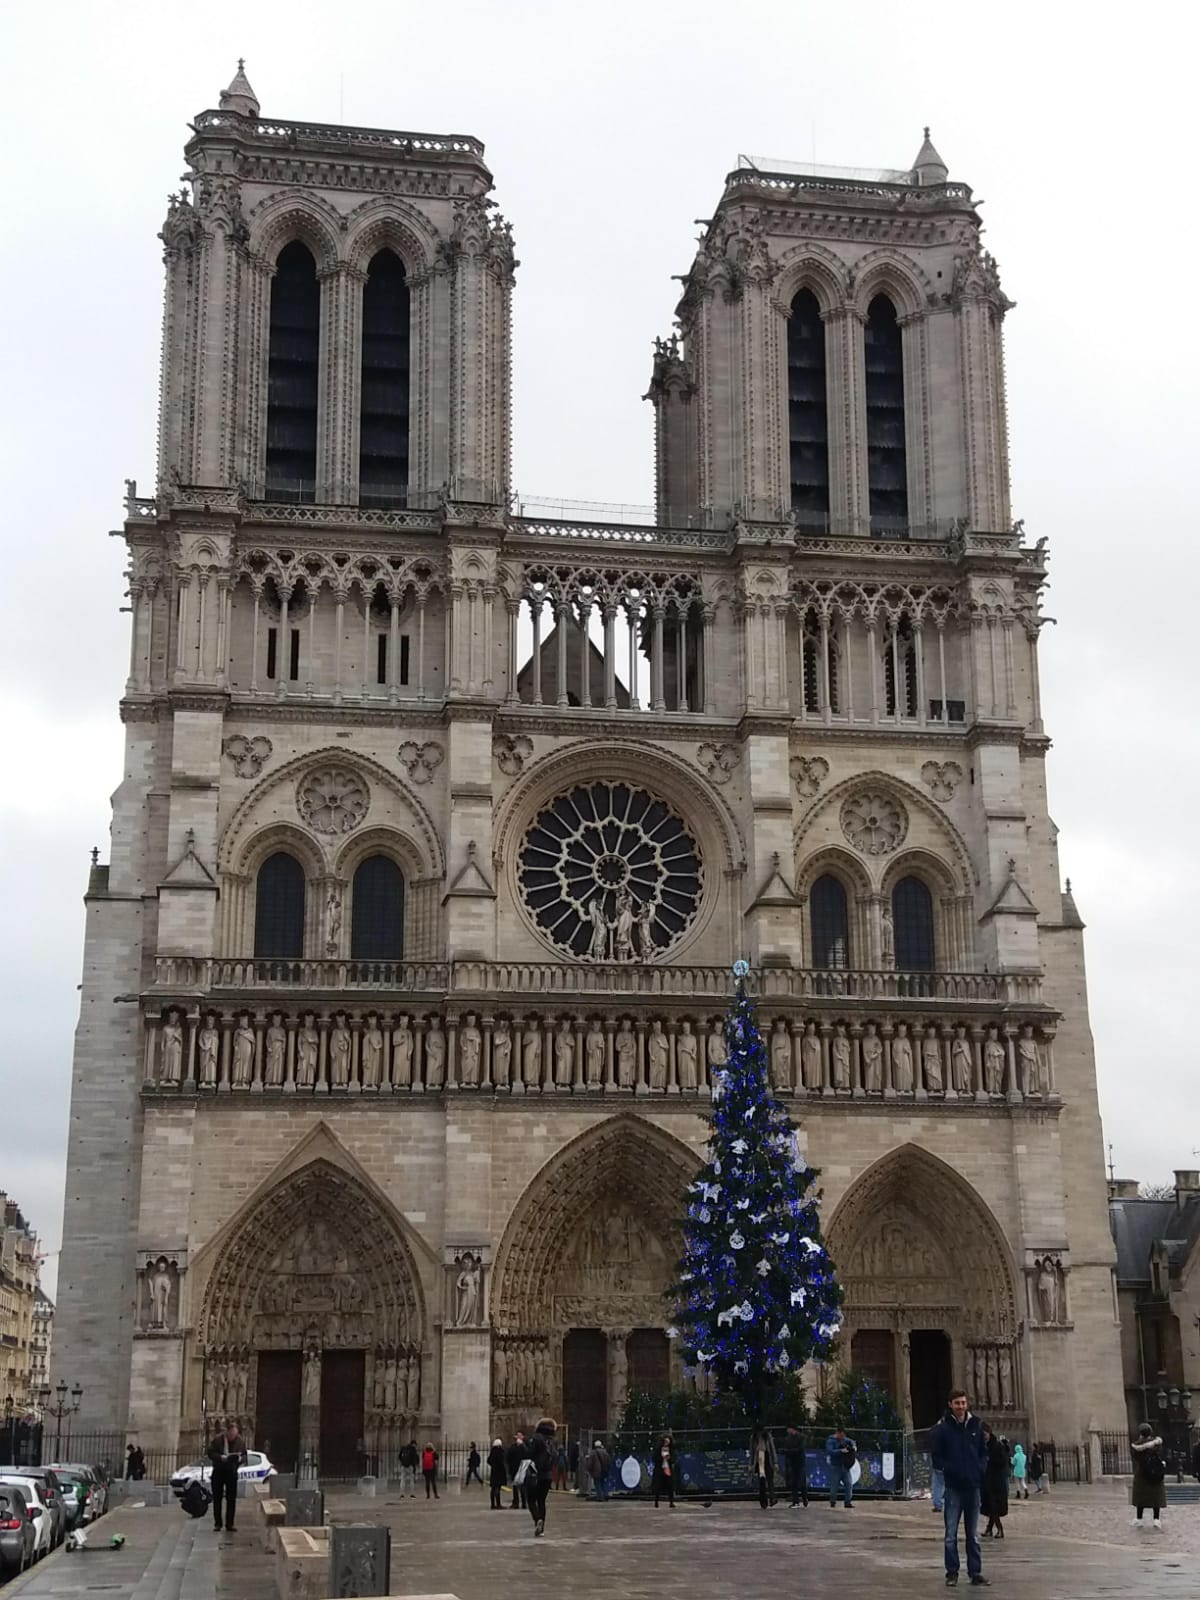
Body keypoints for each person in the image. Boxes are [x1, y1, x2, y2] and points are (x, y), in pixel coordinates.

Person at [929, 1388, 989, 1587]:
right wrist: (948, 1468)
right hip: (954, 1487)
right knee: (950, 1534)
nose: (961, 1406)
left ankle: (975, 1572)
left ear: (967, 1404)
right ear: (950, 1405)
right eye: (957, 1403)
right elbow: (936, 1455)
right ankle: (952, 1573)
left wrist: (980, 1469)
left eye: (963, 1403)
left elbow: (983, 1452)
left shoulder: (976, 1424)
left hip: (973, 1486)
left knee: (973, 1534)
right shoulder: (944, 1428)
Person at [207, 1419, 246, 1534]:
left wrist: (240, 1459)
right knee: (217, 1498)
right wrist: (220, 1458)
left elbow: (244, 1456)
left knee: (231, 1499)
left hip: (231, 1472)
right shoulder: (218, 1440)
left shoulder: (240, 1442)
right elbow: (210, 1452)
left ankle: (230, 1524)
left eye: (235, 1434)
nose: (233, 1436)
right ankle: (218, 1523)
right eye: (232, 1434)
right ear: (227, 1432)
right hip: (219, 1472)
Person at [1130, 1421, 1167, 1530]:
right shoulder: (1157, 1444)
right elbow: (1162, 1455)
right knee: (1156, 1497)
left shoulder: (1136, 1446)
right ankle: (1156, 1519)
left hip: (1142, 1473)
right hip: (1156, 1473)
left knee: (1141, 1497)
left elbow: (1135, 1456)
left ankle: (1139, 1519)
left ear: (1140, 1433)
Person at [525, 1417, 557, 1537]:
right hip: (547, 1475)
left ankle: (537, 1519)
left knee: (531, 1500)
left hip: (535, 1475)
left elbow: (529, 1454)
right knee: (542, 1501)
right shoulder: (552, 1440)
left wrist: (523, 1445)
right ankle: (542, 1529)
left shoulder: (536, 1438)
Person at [980, 1424, 1008, 1539]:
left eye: (985, 1434)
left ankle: (1000, 1529)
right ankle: (989, 1529)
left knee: (994, 1507)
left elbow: (1002, 1462)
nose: (984, 1436)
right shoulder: (982, 1446)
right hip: (987, 1481)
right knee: (991, 1507)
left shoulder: (997, 1446)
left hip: (996, 1482)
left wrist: (989, 1459)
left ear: (989, 1433)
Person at [824, 1424, 856, 1509]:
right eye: (841, 1435)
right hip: (835, 1466)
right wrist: (840, 1450)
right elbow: (830, 1451)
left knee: (849, 1484)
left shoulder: (844, 1439)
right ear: (837, 1433)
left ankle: (847, 1502)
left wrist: (853, 1446)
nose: (843, 1437)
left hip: (845, 1466)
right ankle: (833, 1502)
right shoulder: (830, 1441)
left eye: (843, 1435)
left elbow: (851, 1441)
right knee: (834, 1485)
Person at [782, 1425, 809, 1508]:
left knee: (801, 1482)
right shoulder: (787, 1439)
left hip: (800, 1462)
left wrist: (789, 1451)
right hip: (792, 1462)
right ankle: (795, 1501)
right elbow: (786, 1448)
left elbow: (800, 1449)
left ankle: (805, 1498)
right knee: (793, 1482)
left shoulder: (801, 1437)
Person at [652, 1433, 678, 1508]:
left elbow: (674, 1458)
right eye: (665, 1441)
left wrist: (669, 1459)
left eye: (668, 1441)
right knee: (658, 1486)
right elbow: (654, 1458)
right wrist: (661, 1458)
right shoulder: (658, 1449)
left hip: (668, 1469)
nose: (667, 1443)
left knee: (670, 1485)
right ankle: (656, 1501)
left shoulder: (671, 1450)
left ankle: (671, 1502)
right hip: (660, 1469)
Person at [506, 1431, 528, 1511]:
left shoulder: (525, 1446)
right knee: (515, 1487)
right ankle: (515, 1503)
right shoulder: (513, 1447)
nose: (518, 1437)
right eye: (517, 1436)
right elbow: (508, 1457)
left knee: (522, 1487)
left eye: (520, 1436)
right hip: (514, 1469)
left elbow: (527, 1454)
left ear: (522, 1437)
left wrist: (522, 1445)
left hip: (522, 1469)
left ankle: (524, 1503)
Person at [586, 1436, 611, 1501]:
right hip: (604, 1470)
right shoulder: (605, 1452)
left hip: (596, 1471)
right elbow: (608, 1462)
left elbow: (590, 1463)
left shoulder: (593, 1453)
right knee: (603, 1483)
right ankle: (605, 1495)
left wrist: (588, 1469)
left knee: (597, 1484)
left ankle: (600, 1497)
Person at [487, 1438, 506, 1510]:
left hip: (494, 1471)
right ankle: (498, 1503)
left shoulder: (492, 1452)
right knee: (497, 1488)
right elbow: (501, 1461)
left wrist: (493, 1465)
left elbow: (489, 1460)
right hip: (499, 1472)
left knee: (493, 1488)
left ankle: (492, 1504)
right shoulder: (499, 1452)